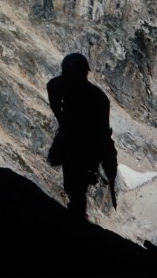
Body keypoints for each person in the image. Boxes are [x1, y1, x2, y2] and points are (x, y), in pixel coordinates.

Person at [47, 52, 117, 220]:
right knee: (76, 184)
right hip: (80, 143)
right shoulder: (97, 97)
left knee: (75, 183)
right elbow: (104, 134)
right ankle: (77, 213)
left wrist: (62, 119)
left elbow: (102, 133)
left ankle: (76, 212)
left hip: (80, 143)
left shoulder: (64, 87)